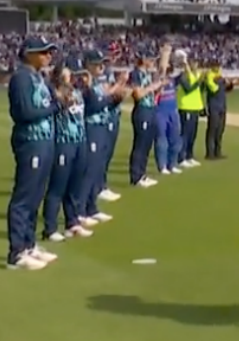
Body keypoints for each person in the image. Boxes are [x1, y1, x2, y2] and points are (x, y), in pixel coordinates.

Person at [6, 35, 60, 270]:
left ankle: (29, 244)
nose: (48, 56)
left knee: (37, 194)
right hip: (30, 141)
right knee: (24, 197)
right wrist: (55, 106)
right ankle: (17, 252)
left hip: (44, 140)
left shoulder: (38, 77)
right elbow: (25, 113)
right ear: (29, 53)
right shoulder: (21, 79)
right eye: (43, 52)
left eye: (49, 52)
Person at [41, 56, 97, 241]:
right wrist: (61, 81)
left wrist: (88, 84)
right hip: (63, 142)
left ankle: (72, 222)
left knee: (75, 184)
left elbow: (93, 103)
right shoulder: (54, 90)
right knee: (58, 186)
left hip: (80, 140)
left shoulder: (78, 91)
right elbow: (54, 97)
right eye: (71, 73)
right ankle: (50, 228)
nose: (75, 77)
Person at [80, 50, 125, 225]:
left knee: (98, 167)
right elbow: (94, 105)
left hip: (102, 125)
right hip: (91, 127)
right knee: (89, 171)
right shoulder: (85, 83)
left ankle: (92, 208)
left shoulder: (99, 82)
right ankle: (81, 211)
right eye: (98, 63)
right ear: (89, 65)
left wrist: (116, 99)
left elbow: (104, 102)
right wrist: (112, 96)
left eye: (103, 63)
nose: (102, 67)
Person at [127, 49, 165, 188]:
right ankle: (135, 176)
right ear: (144, 59)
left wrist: (159, 87)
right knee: (140, 145)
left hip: (151, 109)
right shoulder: (135, 74)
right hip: (141, 111)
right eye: (151, 59)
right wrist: (151, 87)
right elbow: (137, 94)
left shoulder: (147, 74)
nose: (153, 62)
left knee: (148, 144)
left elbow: (153, 94)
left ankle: (142, 174)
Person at [154, 45, 184, 175]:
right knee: (162, 140)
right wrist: (165, 54)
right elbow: (161, 70)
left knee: (175, 138)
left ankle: (172, 164)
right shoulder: (158, 79)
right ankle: (163, 166)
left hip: (173, 111)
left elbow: (181, 71)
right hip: (161, 111)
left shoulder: (172, 79)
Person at [174, 51, 205, 169]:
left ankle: (189, 156)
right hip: (185, 107)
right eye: (193, 62)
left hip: (195, 107)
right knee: (185, 134)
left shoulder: (196, 75)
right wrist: (198, 82)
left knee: (192, 134)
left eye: (197, 63)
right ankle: (181, 157)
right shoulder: (184, 76)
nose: (195, 65)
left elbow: (199, 91)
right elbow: (188, 89)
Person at [203, 59, 231, 160]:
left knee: (220, 130)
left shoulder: (219, 75)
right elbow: (213, 89)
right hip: (214, 105)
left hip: (222, 105)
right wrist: (221, 81)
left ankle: (218, 151)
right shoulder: (209, 75)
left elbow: (227, 89)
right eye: (216, 66)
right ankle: (210, 153)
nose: (218, 68)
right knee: (212, 129)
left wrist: (229, 83)